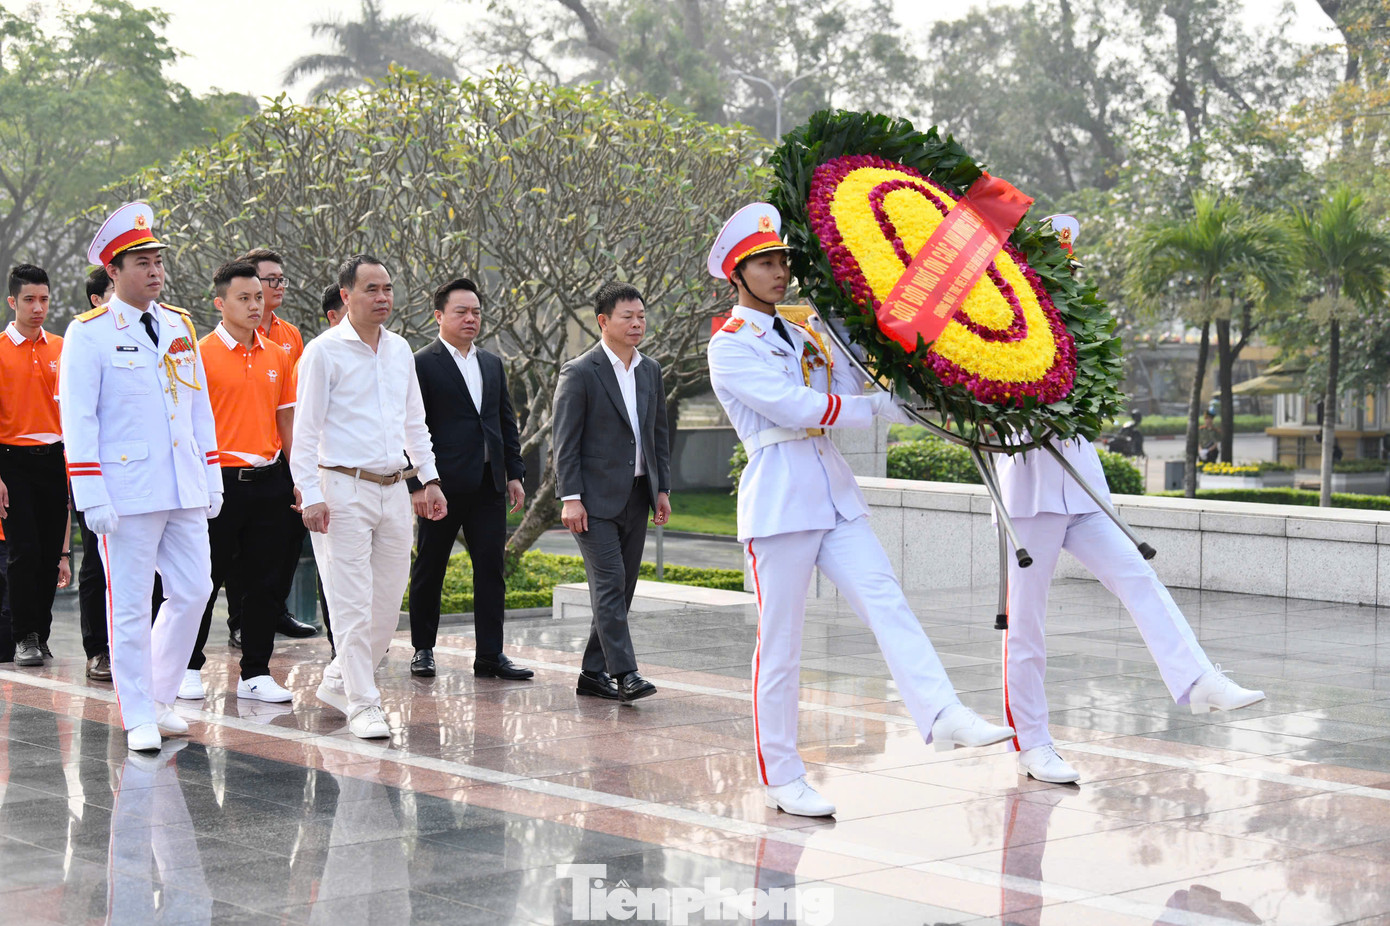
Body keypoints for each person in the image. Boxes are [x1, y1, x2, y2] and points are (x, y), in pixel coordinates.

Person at [705, 203, 1014, 818]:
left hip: (832, 491)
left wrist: (938, 405)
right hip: (780, 499)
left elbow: (859, 391)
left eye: (782, 261)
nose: (778, 272)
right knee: (782, 644)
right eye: (763, 264)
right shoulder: (730, 345)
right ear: (737, 275)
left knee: (887, 601)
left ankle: (942, 710)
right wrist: (870, 408)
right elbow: (795, 407)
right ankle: (782, 775)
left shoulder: (805, 329)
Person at [997, 435, 1265, 783]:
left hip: (1082, 490)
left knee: (1139, 577)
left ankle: (1198, 679)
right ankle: (1031, 744)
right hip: (1028, 495)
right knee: (1024, 621)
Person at [59, 201, 219, 752]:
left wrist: (212, 472)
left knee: (195, 590)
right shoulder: (90, 333)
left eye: (158, 260)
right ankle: (137, 713)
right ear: (114, 271)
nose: (156, 270)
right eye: (142, 262)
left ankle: (158, 695)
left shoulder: (179, 325)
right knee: (128, 602)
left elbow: (199, 408)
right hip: (124, 491)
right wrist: (89, 493)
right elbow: (78, 419)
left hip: (182, 484)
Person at [291, 254, 446, 739]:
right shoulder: (322, 352)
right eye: (371, 289)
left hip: (394, 487)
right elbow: (305, 431)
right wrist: (311, 495)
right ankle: (363, 702)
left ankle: (339, 679)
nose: (383, 298)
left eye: (387, 289)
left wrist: (430, 478)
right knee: (351, 602)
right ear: (346, 296)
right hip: (340, 487)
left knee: (385, 604)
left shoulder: (400, 350)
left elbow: (414, 423)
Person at [178, 260, 297, 703]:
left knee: (265, 582)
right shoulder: (196, 354)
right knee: (202, 580)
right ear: (220, 302)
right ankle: (188, 665)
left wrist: (298, 476)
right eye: (243, 298)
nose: (254, 305)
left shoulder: (278, 355)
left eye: (258, 297)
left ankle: (256, 671)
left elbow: (287, 421)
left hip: (269, 479)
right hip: (216, 482)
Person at [551, 282, 672, 704]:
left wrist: (662, 489)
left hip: (639, 495)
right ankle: (626, 674)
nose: (637, 323)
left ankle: (592, 673)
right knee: (609, 582)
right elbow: (564, 441)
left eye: (641, 315)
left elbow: (658, 434)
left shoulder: (650, 369)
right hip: (592, 501)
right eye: (628, 317)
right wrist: (570, 497)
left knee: (622, 589)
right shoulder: (580, 371)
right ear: (603, 321)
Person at [407, 278, 530, 680]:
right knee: (430, 568)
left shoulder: (491, 362)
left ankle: (490, 655)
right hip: (440, 485)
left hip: (488, 485)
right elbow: (409, 426)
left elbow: (504, 422)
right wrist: (420, 483)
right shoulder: (421, 363)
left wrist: (514, 473)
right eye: (461, 311)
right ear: (439, 315)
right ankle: (423, 649)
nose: (471, 318)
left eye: (476, 311)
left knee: (491, 570)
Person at [232, 246, 316, 643]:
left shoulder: (290, 335)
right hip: (239, 457)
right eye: (270, 280)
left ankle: (274, 610)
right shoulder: (228, 337)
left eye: (281, 279)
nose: (277, 287)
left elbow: (295, 400)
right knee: (237, 548)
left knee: (287, 536)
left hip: (283, 452)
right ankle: (239, 623)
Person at [0, 264, 69, 667]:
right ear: (13, 302)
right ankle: (24, 635)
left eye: (43, 299)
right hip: (11, 460)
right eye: (29, 299)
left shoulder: (62, 347)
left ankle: (40, 635)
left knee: (46, 554)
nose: (38, 307)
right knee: (23, 551)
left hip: (55, 459)